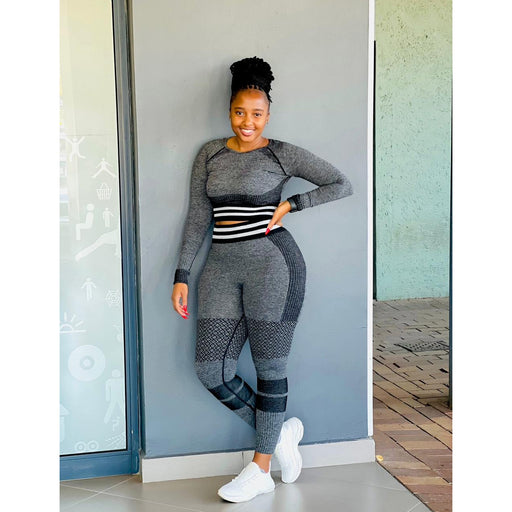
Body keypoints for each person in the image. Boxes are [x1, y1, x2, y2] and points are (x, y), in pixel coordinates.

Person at [171, 56, 353, 503]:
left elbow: (340, 183)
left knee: (271, 367)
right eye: (239, 112)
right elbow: (198, 217)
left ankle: (261, 467)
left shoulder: (281, 153)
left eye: (256, 114)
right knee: (211, 369)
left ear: (268, 114)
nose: (247, 122)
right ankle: (280, 434)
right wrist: (182, 274)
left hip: (274, 267)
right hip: (220, 268)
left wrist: (292, 205)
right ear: (229, 111)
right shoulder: (210, 154)